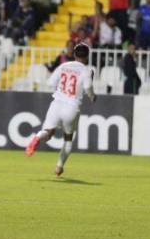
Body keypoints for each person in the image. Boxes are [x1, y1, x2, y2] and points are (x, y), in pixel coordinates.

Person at [25, 42, 97, 177]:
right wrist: (93, 97)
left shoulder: (63, 66)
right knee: (68, 139)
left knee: (48, 132)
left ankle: (36, 138)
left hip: (57, 103)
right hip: (72, 107)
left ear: (74, 54)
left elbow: (50, 82)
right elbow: (88, 89)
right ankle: (59, 167)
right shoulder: (86, 71)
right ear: (87, 57)